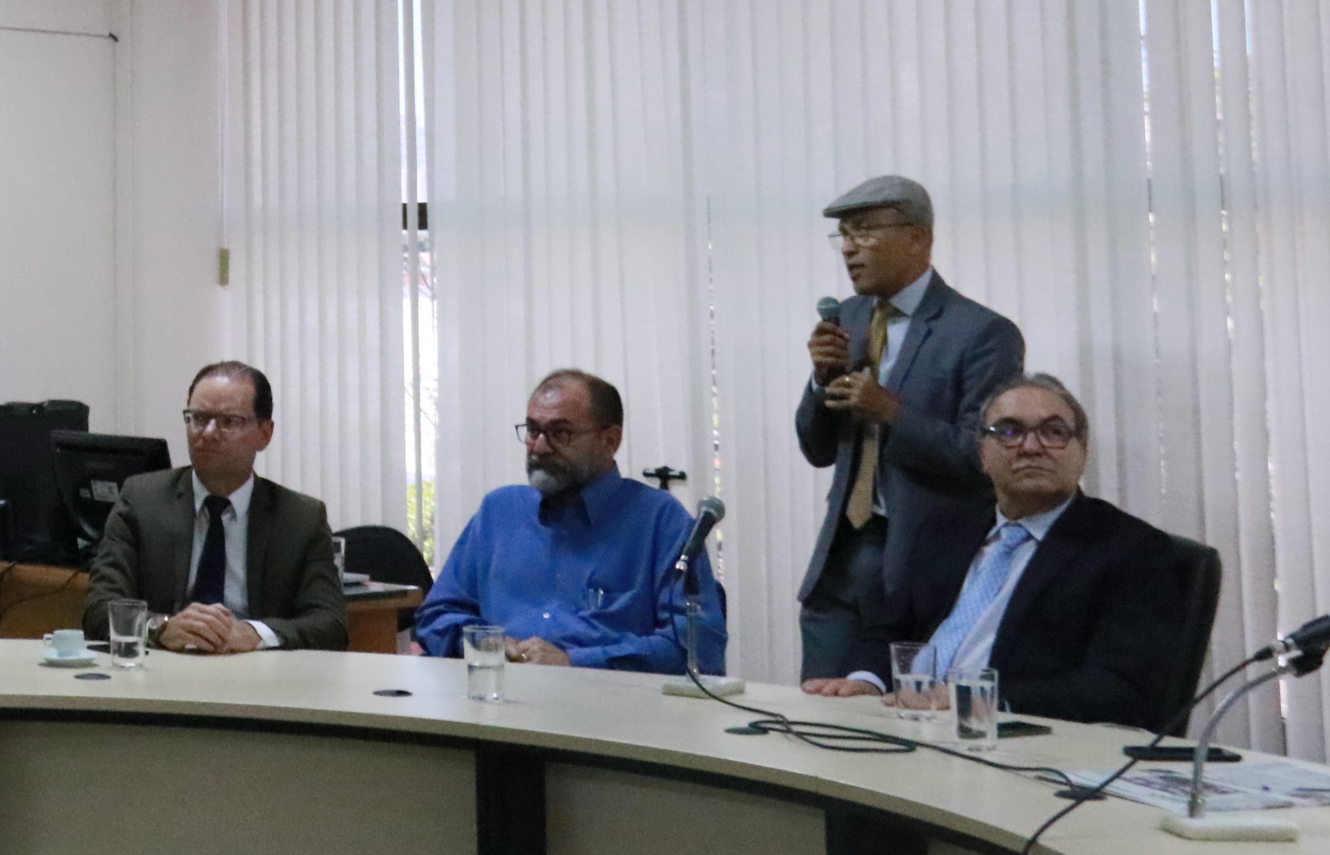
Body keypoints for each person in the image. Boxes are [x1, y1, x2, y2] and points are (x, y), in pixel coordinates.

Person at [802, 375, 1192, 729]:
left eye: (1054, 432)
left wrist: (977, 699)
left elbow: (1122, 687)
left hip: (1015, 741)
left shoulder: (1132, 550)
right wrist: (865, 681)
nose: (1031, 447)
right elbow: (889, 630)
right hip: (908, 723)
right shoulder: (946, 529)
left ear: (1082, 451)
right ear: (983, 454)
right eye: (1009, 432)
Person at [794, 175, 1025, 681]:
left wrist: (891, 412)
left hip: (922, 571)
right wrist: (820, 381)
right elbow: (817, 449)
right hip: (840, 560)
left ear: (918, 237)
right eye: (843, 236)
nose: (848, 249)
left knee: (903, 719)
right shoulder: (848, 318)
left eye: (863, 231)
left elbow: (984, 459)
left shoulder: (982, 334)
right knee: (819, 713)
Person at [415, 370, 726, 673]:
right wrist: (487, 644)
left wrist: (574, 662)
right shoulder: (499, 512)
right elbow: (437, 617)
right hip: (499, 693)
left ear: (610, 441)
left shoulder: (660, 521)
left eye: (560, 433)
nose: (539, 447)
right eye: (533, 430)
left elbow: (698, 647)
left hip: (609, 701)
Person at [78, 361, 347, 652]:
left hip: (256, 670)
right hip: (166, 666)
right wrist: (160, 627)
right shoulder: (142, 501)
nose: (207, 432)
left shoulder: (301, 518)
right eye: (198, 418)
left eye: (228, 421)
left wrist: (255, 634)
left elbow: (330, 624)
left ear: (264, 433)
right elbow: (99, 608)